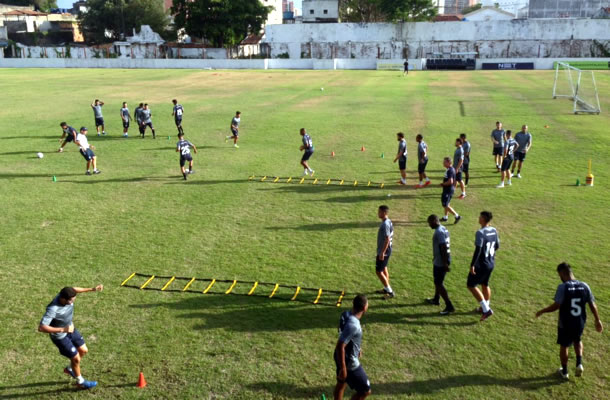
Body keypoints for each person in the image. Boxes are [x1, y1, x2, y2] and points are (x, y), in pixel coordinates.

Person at [535, 262, 603, 380]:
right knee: (578, 340)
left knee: (564, 346)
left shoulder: (563, 287)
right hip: (579, 322)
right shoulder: (585, 286)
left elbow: (556, 305)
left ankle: (565, 372)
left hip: (565, 323)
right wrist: (597, 320)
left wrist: (542, 311)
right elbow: (592, 305)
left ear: (562, 274)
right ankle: (579, 363)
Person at [38, 284, 104, 390]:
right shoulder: (53, 309)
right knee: (76, 358)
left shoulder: (67, 293)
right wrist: (63, 329)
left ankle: (70, 369)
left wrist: (93, 289)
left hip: (70, 329)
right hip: (60, 336)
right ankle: (80, 382)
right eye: (71, 301)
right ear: (63, 298)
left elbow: (75, 289)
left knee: (84, 350)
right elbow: (41, 327)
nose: (72, 302)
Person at [333, 295, 371, 400]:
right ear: (364, 308)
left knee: (341, 382)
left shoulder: (345, 314)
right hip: (349, 362)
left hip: (339, 356)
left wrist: (357, 347)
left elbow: (344, 333)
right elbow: (340, 345)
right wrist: (343, 368)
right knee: (365, 390)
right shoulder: (354, 325)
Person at [467, 211, 499, 321]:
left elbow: (478, 250)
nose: (478, 217)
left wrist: (472, 265)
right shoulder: (494, 230)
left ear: (484, 219)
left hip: (481, 264)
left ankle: (486, 309)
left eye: (480, 216)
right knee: (485, 284)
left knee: (471, 285)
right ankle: (485, 306)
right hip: (491, 262)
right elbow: (497, 246)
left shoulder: (480, 233)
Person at [426, 214, 455, 315]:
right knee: (437, 281)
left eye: (429, 222)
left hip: (441, 262)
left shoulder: (438, 232)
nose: (429, 225)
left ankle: (449, 306)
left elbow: (443, 247)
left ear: (434, 221)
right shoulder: (443, 228)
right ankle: (436, 299)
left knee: (439, 283)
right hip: (440, 260)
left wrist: (445, 263)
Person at [375, 205, 394, 299]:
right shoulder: (388, 221)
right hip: (387, 249)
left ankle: (390, 292)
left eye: (380, 212)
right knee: (384, 268)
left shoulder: (385, 224)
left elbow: (387, 239)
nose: (378, 213)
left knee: (378, 271)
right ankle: (386, 288)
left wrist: (382, 252)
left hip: (384, 250)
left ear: (385, 213)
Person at [440, 157, 461, 224]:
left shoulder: (450, 170)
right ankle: (445, 217)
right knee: (447, 204)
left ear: (449, 163)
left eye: (444, 162)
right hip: (449, 190)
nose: (443, 163)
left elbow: (450, 181)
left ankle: (457, 216)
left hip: (447, 190)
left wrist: (443, 184)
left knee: (445, 205)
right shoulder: (450, 169)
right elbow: (455, 181)